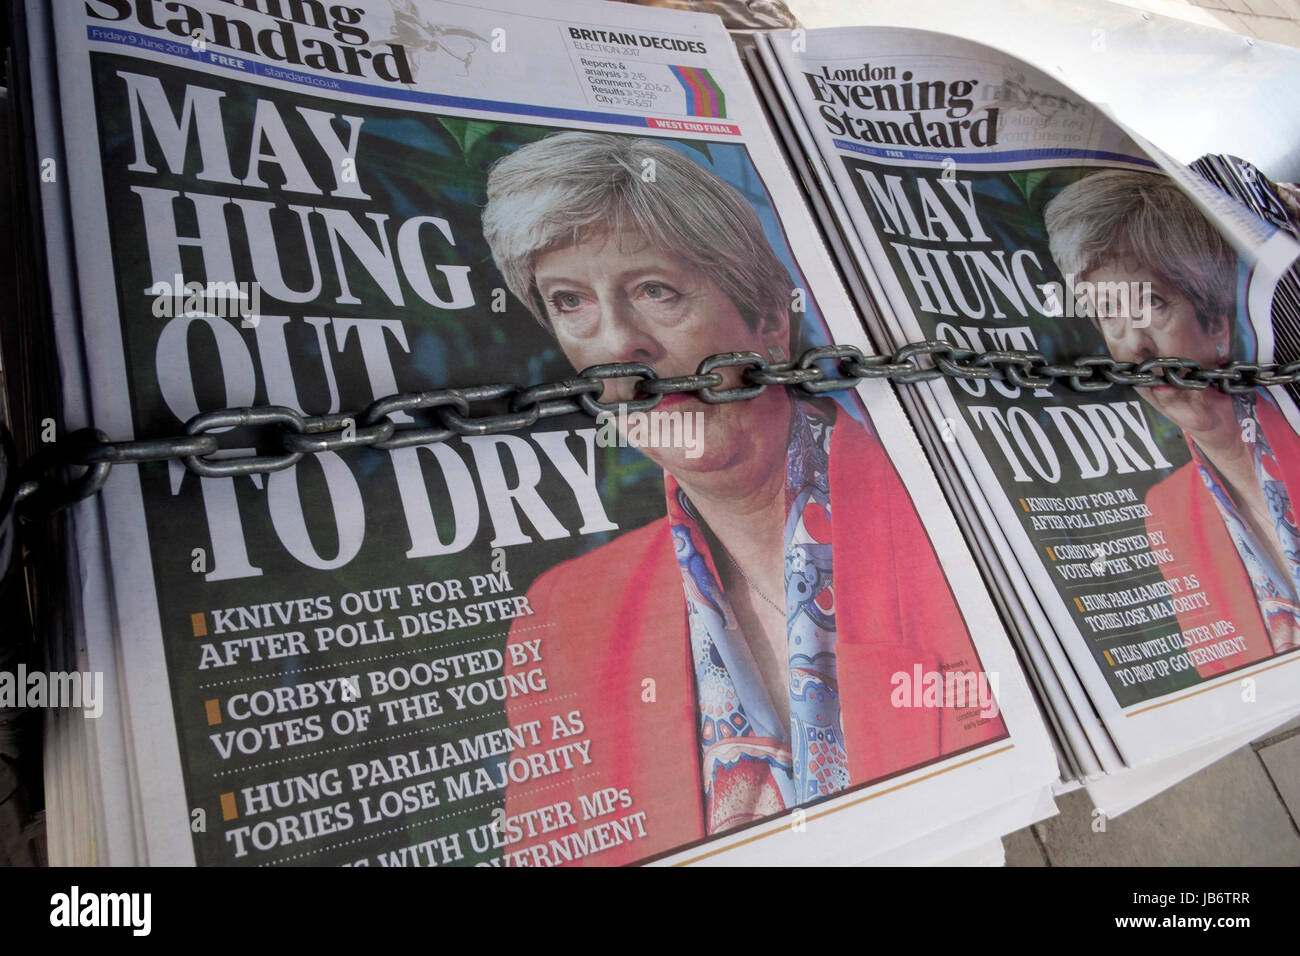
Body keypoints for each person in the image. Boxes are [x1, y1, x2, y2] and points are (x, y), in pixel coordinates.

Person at [482, 131, 1003, 864]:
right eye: (570, 302)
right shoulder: (566, 614)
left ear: (768, 322)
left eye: (655, 290)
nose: (618, 344)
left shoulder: (956, 521)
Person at [1045, 169, 1300, 677]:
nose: (1135, 345)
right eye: (1108, 313)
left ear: (1217, 322)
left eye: (1150, 304)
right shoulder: (1168, 509)